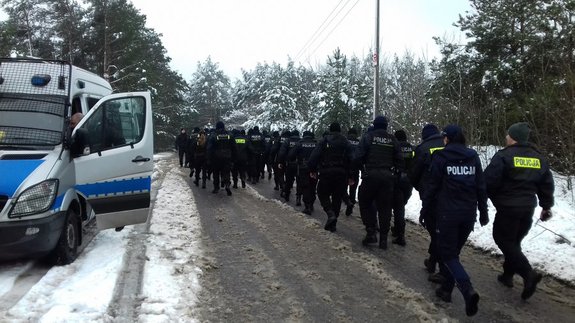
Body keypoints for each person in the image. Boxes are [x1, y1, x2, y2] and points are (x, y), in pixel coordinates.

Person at [422, 124, 488, 317]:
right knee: (453, 255)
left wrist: (425, 209)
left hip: (447, 214)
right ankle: (446, 291)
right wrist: (483, 212)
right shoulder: (473, 156)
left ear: (448, 139)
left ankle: (467, 290)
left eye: (444, 138)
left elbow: (432, 186)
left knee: (447, 255)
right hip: (468, 214)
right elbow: (481, 186)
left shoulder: (441, 157)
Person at [484, 122, 554, 300]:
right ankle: (507, 276)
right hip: (528, 207)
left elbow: (489, 180)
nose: (506, 137)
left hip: (508, 207)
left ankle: (528, 274)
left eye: (508, 135)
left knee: (503, 239)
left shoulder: (504, 156)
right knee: (514, 241)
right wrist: (546, 206)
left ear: (513, 137)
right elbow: (546, 183)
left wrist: (485, 197)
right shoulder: (539, 158)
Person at [354, 116, 404, 249]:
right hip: (387, 177)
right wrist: (395, 173)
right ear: (386, 126)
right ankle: (383, 239)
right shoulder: (392, 139)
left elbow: (357, 156)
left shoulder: (368, 137)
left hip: (370, 175)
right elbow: (400, 159)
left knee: (364, 202)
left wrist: (362, 168)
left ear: (375, 125)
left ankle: (371, 231)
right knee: (385, 207)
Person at [410, 123, 445, 280]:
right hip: (450, 195)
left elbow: (414, 173)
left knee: (435, 230)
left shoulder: (422, 148)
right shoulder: (447, 144)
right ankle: (432, 260)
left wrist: (420, 188)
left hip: (431, 195)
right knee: (439, 229)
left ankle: (443, 270)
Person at [308, 122, 354, 232]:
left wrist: (312, 169)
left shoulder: (324, 140)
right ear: (340, 130)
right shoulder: (346, 142)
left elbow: (315, 155)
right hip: (341, 174)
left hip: (326, 172)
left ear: (330, 129)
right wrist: (351, 175)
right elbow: (352, 159)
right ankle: (333, 222)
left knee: (322, 193)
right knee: (337, 197)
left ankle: (330, 213)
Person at [391, 129, 414, 246]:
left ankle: (400, 235)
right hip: (409, 182)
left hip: (398, 180)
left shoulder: (395, 147)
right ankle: (397, 229)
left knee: (398, 208)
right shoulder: (411, 148)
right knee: (400, 206)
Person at [289, 130, 318, 214]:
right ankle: (311, 204)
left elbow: (291, 154)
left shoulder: (299, 143)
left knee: (305, 186)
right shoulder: (316, 143)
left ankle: (307, 206)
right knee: (313, 186)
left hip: (303, 168)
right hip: (314, 168)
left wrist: (292, 160)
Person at [207, 121, 236, 196]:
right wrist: (233, 158)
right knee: (226, 172)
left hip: (216, 158)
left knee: (216, 173)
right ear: (223, 127)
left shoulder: (213, 135)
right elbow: (234, 147)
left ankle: (216, 188)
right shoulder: (230, 135)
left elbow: (209, 148)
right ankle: (227, 184)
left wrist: (208, 158)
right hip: (227, 157)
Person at [277, 129, 300, 203]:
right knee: (299, 181)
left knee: (288, 180)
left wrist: (280, 162)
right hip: (299, 164)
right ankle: (298, 197)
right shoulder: (301, 142)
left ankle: (287, 195)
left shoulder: (287, 141)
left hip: (289, 164)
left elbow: (282, 153)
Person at [343, 127, 360, 216]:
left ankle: (347, 201)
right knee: (353, 189)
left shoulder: (345, 141)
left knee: (343, 187)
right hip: (355, 169)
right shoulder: (359, 142)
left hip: (345, 168)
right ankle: (351, 203)